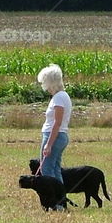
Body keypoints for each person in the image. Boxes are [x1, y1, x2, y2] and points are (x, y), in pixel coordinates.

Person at [37, 63, 71, 208]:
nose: (45, 87)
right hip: (60, 136)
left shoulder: (58, 98)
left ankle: (54, 203)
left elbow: (57, 123)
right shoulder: (63, 96)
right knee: (56, 169)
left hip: (54, 136)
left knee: (47, 170)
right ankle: (61, 201)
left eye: (45, 83)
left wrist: (48, 144)